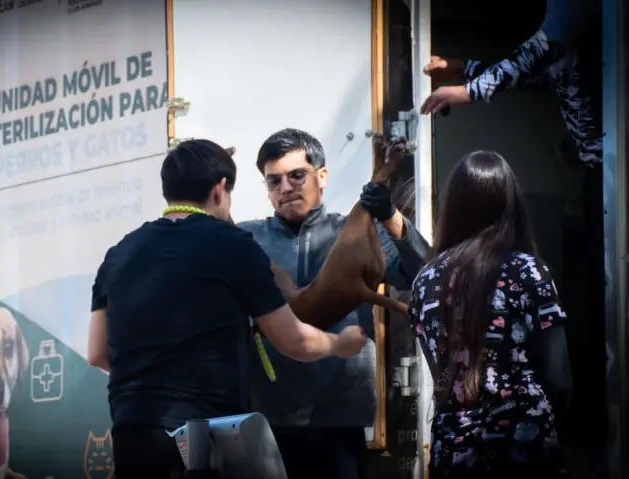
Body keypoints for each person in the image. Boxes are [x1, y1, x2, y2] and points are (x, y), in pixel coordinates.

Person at [86, 139, 369, 479]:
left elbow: (97, 353)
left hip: (132, 434)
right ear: (220, 189)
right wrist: (341, 344)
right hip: (206, 440)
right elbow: (294, 341)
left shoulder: (117, 255)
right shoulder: (234, 246)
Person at [237, 128, 430, 479]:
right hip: (266, 424)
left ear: (321, 176)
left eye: (297, 175)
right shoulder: (246, 240)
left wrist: (391, 217)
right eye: (273, 181)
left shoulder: (356, 232)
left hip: (341, 421)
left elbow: (425, 274)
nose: (285, 188)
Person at [408, 150, 572, 478]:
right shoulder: (529, 272)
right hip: (524, 446)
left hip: (454, 448)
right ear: (511, 206)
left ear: (452, 206)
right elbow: (559, 377)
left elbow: (441, 372)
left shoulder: (424, 281)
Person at [420, 0, 602, 165]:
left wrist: (470, 91)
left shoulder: (568, 9)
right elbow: (543, 78)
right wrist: (464, 69)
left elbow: (543, 46)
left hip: (616, 156)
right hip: (600, 162)